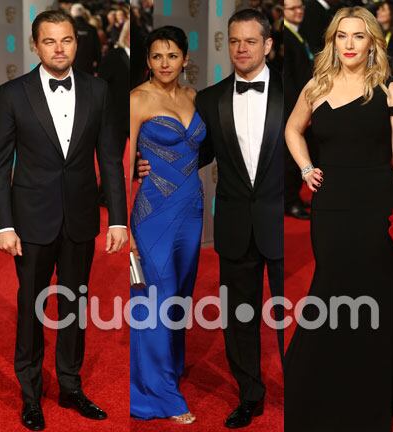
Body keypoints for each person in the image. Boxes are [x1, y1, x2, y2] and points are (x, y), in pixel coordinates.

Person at [283, 6, 393, 431]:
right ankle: (325, 380)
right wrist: (304, 167)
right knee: (331, 287)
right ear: (332, 41)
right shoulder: (316, 86)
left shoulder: (390, 92)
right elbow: (293, 130)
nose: (349, 44)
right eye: (341, 36)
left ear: (373, 42)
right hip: (330, 206)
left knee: (373, 292)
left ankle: (370, 391)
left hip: (375, 205)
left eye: (358, 36)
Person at [137, 8, 285, 429]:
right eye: (234, 41)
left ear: (267, 46)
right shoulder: (212, 98)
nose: (241, 49)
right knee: (240, 317)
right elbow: (192, 153)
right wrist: (142, 167)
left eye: (250, 41)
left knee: (307, 313)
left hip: (283, 224)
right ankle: (249, 395)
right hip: (233, 222)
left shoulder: (296, 92)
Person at [0, 9, 128, 431]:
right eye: (49, 41)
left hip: (81, 218)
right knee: (31, 307)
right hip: (30, 221)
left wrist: (118, 219)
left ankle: (70, 385)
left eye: (66, 40)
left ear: (76, 41)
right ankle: (31, 395)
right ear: (35, 45)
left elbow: (109, 158)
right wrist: (3, 225)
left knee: (74, 306)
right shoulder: (13, 93)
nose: (59, 48)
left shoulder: (98, 90)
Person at [128, 25, 204, 425]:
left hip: (191, 213)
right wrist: (123, 228)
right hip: (153, 215)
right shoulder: (137, 99)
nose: (164, 63)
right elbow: (119, 165)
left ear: (185, 59)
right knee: (157, 299)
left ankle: (167, 369)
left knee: (179, 298)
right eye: (157, 56)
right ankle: (159, 394)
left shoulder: (193, 96)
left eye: (172, 55)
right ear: (147, 60)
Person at [283, 0, 313, 220]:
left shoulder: (296, 33)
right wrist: (301, 109)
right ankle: (290, 201)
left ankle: (294, 198)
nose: (298, 11)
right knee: (290, 158)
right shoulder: (286, 36)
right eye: (292, 8)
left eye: (300, 7)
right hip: (292, 107)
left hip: (301, 102)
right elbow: (288, 80)